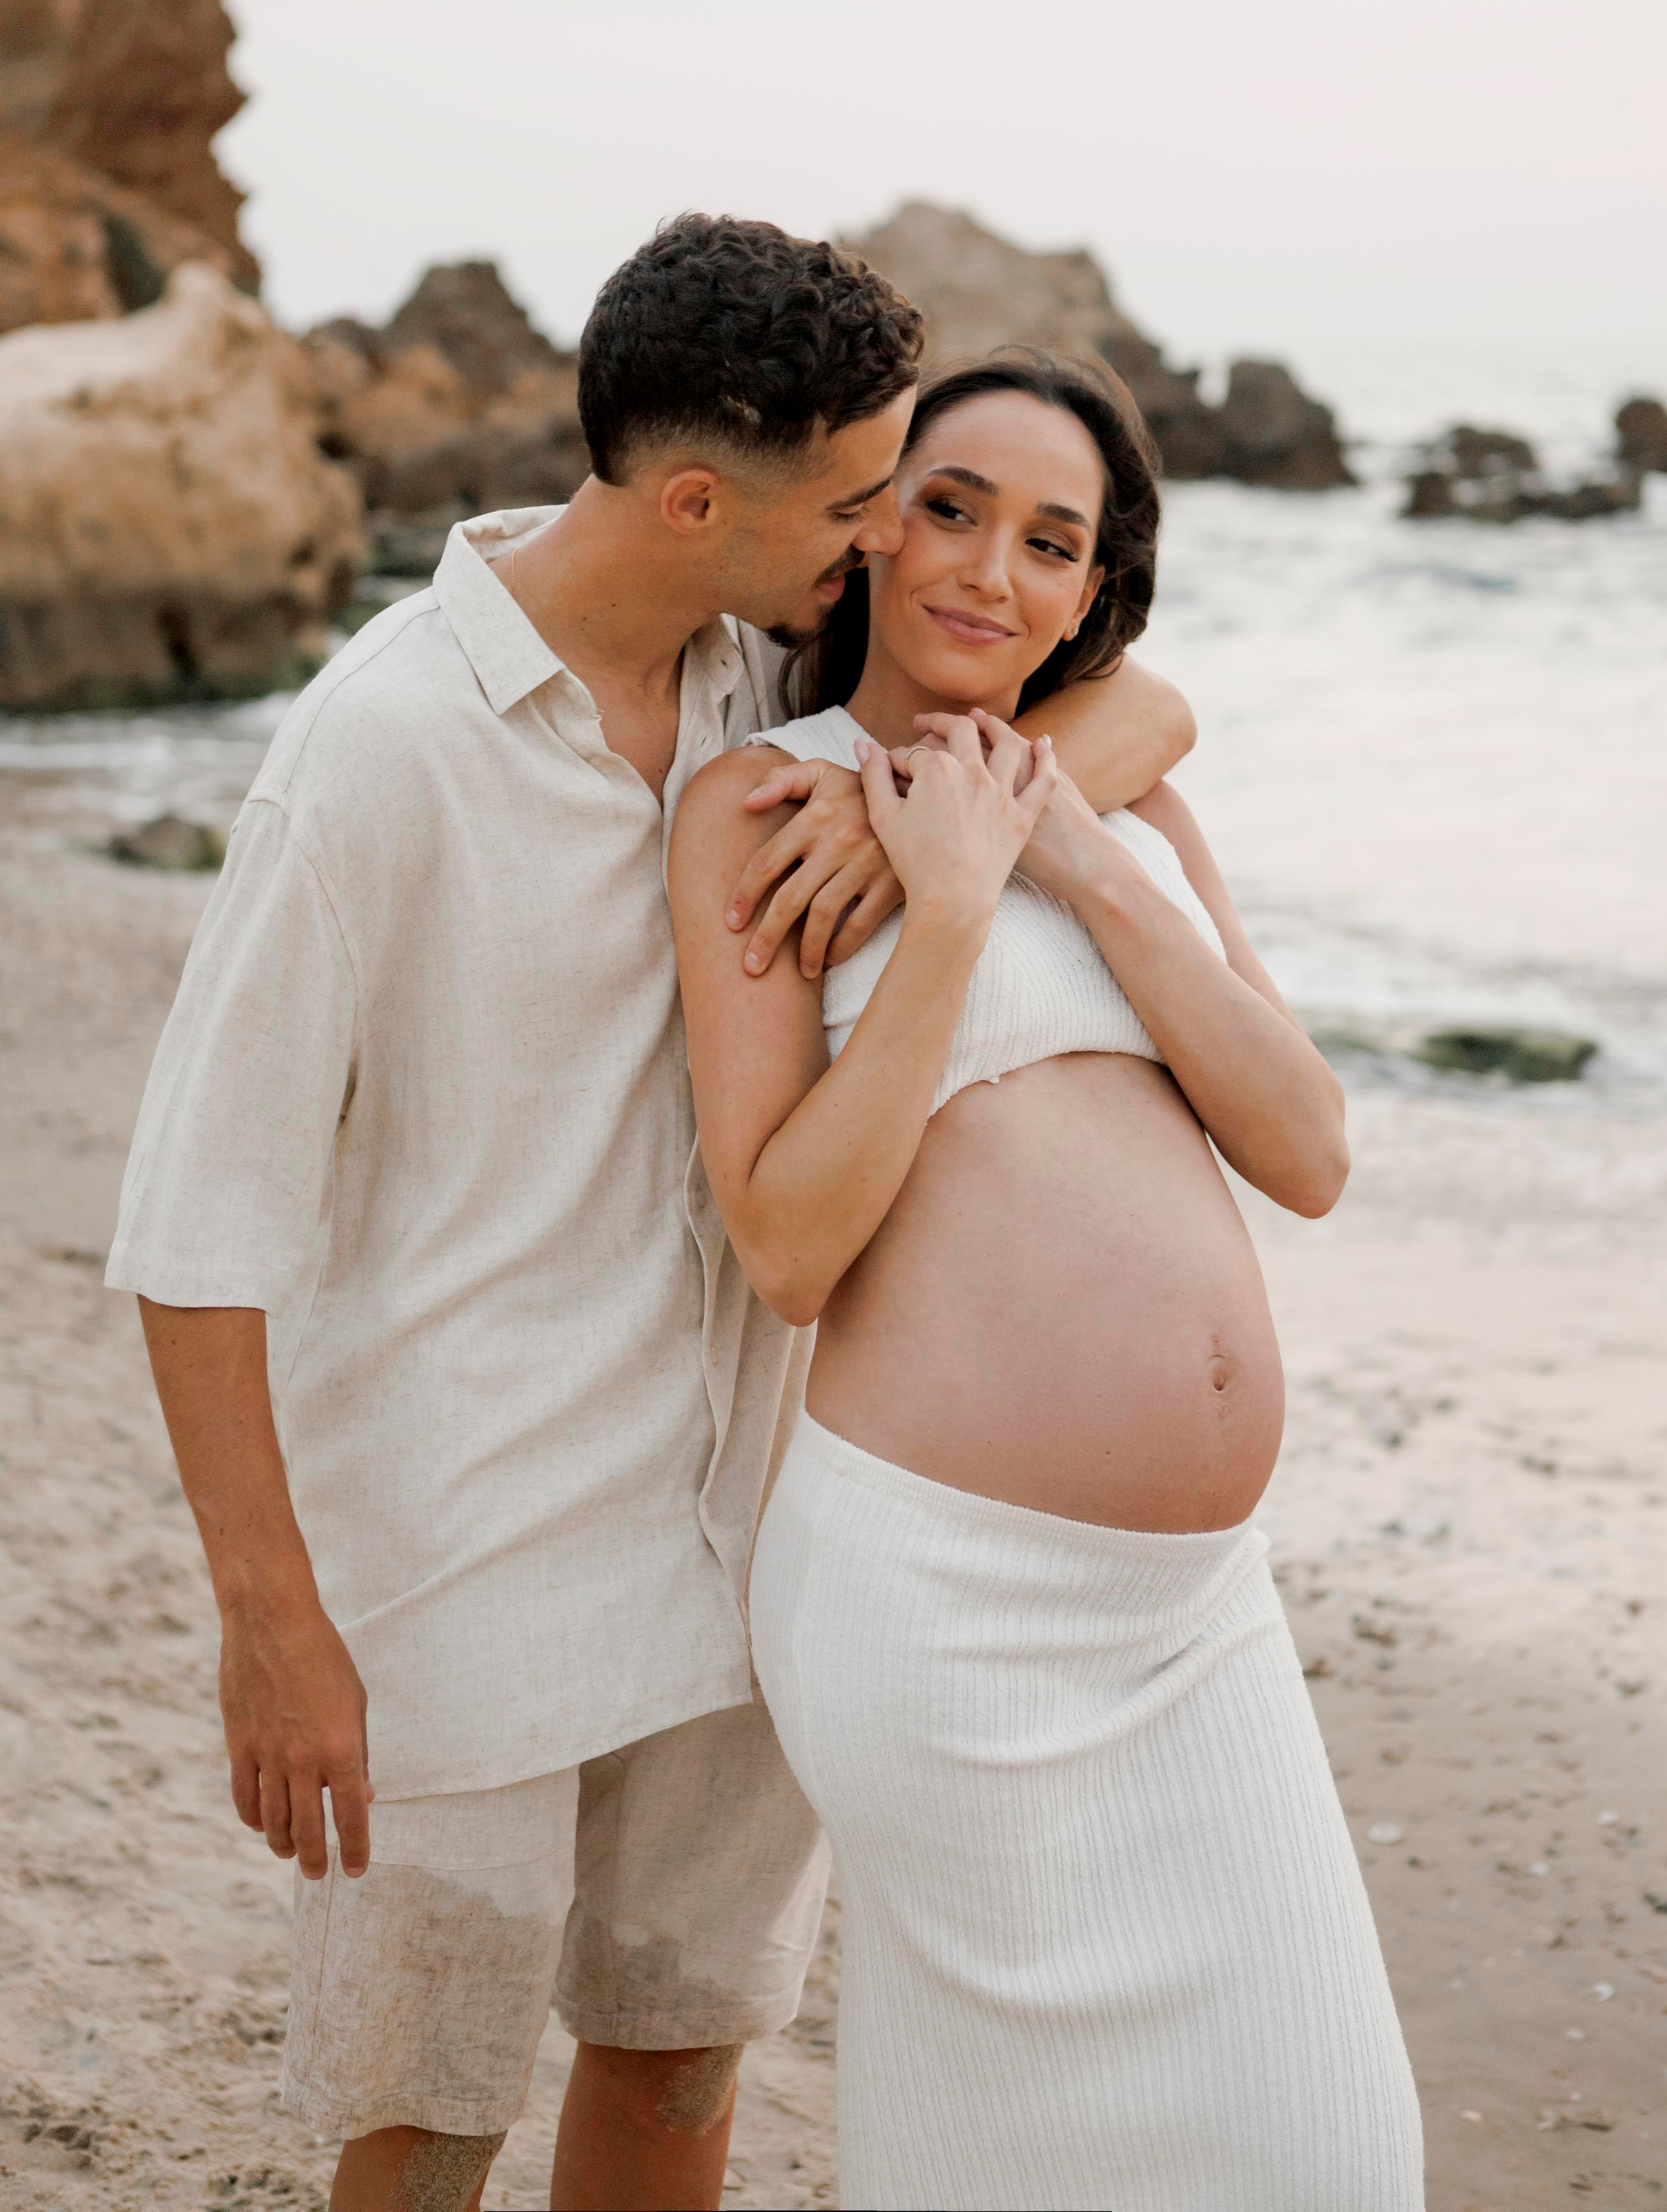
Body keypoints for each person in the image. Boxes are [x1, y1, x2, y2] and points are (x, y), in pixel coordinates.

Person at [106, 220, 1193, 2212]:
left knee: (683, 2073)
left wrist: (907, 842)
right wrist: (271, 1621)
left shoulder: (754, 675)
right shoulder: (375, 754)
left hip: (748, 1558)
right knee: (428, 2126)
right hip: (457, 1573)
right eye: (865, 499)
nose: (889, 546)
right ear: (702, 499)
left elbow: (1140, 703)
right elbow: (196, 1226)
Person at [670, 351, 1425, 2212]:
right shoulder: (767, 814)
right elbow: (783, 1250)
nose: (990, 571)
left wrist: (1062, 853)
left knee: (1330, 2157)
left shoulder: (1133, 813)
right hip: (938, 1608)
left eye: (1052, 541)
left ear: (1096, 590)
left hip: (1193, 1620)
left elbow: (1310, 1153)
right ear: (865, 529)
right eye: (948, 507)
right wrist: (942, 909)